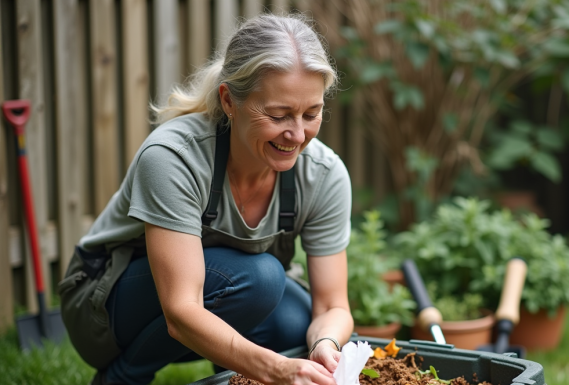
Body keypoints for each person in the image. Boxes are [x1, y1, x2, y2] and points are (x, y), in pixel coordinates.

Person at [58, 13, 354, 385]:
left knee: (295, 320)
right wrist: (275, 368)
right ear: (229, 100)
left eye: (312, 113)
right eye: (279, 115)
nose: (297, 134)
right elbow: (181, 311)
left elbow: (331, 305)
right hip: (104, 307)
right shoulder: (173, 157)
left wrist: (324, 343)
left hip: (213, 297)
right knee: (262, 280)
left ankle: (231, 376)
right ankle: (123, 376)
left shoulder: (323, 174)